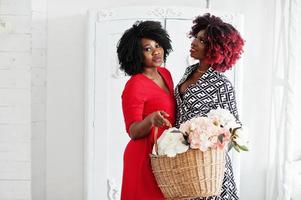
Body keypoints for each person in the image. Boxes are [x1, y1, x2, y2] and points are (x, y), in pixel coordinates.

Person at [175, 13, 244, 200]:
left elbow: (234, 130)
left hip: (209, 169)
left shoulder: (221, 84)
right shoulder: (188, 72)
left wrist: (208, 142)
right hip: (185, 162)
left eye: (202, 41)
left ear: (215, 49)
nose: (194, 42)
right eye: (196, 37)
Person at [117, 21, 175, 200]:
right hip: (144, 159)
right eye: (147, 49)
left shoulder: (165, 74)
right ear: (136, 54)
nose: (156, 51)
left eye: (158, 45)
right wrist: (150, 120)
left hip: (164, 155)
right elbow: (133, 131)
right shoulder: (135, 85)